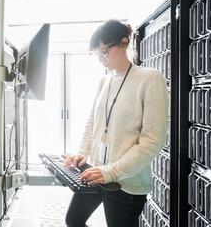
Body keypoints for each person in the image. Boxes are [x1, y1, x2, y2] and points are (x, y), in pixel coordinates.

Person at [64, 19, 169, 227]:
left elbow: (152, 142)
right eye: (97, 54)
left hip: (125, 182)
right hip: (96, 171)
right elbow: (93, 122)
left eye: (104, 51)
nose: (101, 59)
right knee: (74, 220)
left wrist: (111, 171)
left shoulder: (150, 79)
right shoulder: (104, 81)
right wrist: (82, 152)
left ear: (124, 43)